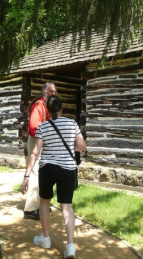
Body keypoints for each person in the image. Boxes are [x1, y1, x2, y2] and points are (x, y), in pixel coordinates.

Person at [21, 95, 87, 259]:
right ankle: (70, 246)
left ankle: (45, 238)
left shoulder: (43, 126)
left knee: (44, 202)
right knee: (67, 206)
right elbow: (82, 146)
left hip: (47, 168)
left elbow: (35, 152)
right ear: (62, 109)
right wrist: (68, 146)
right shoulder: (72, 123)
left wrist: (27, 175)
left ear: (48, 112)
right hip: (67, 169)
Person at [23, 82, 57, 220]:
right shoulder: (39, 105)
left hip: (43, 141)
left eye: (55, 92)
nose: (54, 94)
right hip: (36, 141)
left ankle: (39, 204)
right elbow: (33, 127)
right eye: (51, 92)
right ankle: (30, 209)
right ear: (45, 92)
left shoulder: (47, 106)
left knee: (42, 173)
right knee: (36, 172)